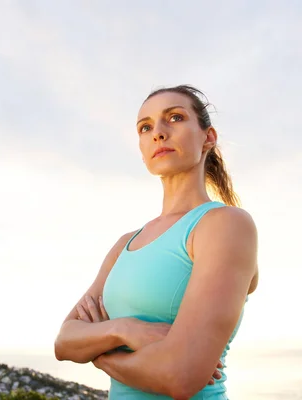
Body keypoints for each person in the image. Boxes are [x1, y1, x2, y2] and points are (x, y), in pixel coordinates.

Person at [54, 85, 259, 400]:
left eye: (174, 118)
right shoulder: (125, 243)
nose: (158, 133)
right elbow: (65, 342)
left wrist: (99, 355)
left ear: (208, 137)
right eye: (145, 127)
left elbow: (180, 376)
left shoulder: (226, 225)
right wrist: (125, 330)